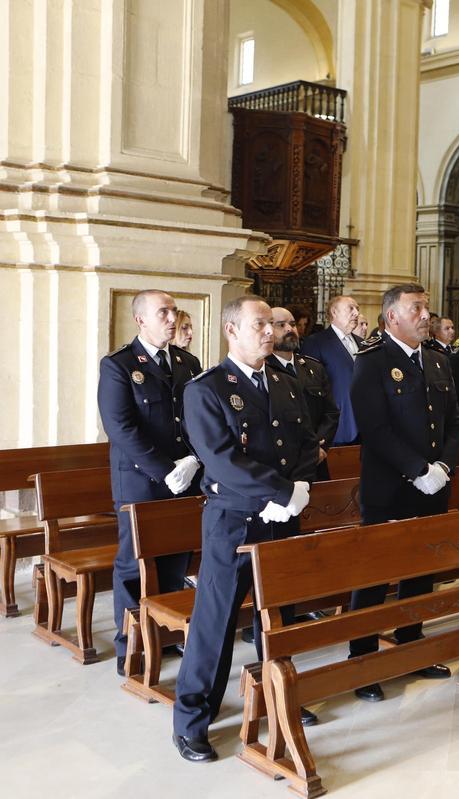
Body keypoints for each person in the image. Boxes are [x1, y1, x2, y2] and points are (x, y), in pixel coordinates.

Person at [171, 295, 318, 762]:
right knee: (216, 620)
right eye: (259, 325)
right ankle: (193, 719)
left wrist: (298, 488)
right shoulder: (206, 389)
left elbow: (308, 444)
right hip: (233, 521)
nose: (270, 332)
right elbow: (221, 460)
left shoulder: (284, 381)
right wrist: (279, 492)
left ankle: (278, 696)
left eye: (271, 325)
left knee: (279, 614)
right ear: (232, 330)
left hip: (282, 517)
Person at [345, 283, 459, 702]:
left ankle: (411, 646)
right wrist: (416, 470)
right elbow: (374, 429)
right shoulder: (372, 361)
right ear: (392, 316)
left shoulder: (436, 359)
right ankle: (363, 662)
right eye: (416, 308)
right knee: (375, 576)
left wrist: (443, 467)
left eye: (427, 308)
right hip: (390, 487)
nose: (425, 315)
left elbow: (453, 421)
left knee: (421, 570)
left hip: (433, 485)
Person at [98, 290, 203, 678]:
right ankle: (131, 646)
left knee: (176, 556)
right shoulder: (119, 365)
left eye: (174, 311)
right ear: (141, 319)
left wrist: (193, 460)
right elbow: (120, 427)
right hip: (141, 481)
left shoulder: (188, 362)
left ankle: (166, 633)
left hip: (185, 475)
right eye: (164, 312)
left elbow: (196, 418)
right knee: (135, 562)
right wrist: (165, 470)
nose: (172, 318)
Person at [268, 307, 340, 481]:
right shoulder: (263, 370)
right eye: (281, 325)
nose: (289, 329)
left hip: (316, 460)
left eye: (292, 324)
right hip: (280, 465)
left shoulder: (313, 368)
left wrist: (319, 447)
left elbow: (330, 412)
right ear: (267, 330)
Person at [300, 295, 363, 445]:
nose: (356, 313)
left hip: (366, 425)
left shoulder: (362, 343)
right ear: (334, 312)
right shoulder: (316, 342)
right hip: (337, 427)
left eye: (357, 309)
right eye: (351, 308)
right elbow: (310, 389)